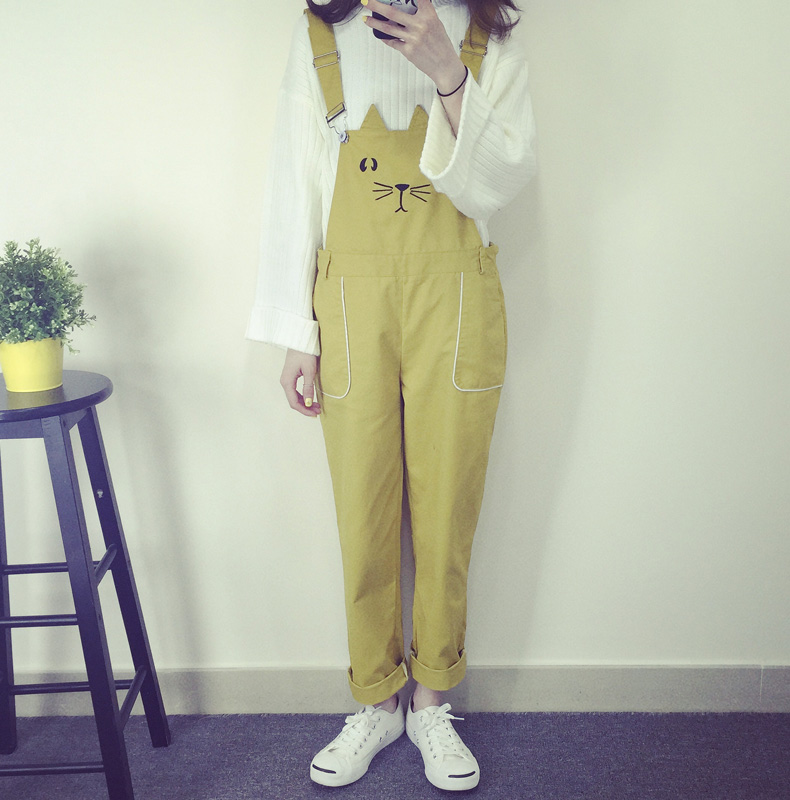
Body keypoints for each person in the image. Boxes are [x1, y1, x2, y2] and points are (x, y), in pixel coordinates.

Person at [247, 0, 536, 790]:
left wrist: (449, 74)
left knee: (447, 506)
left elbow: (499, 184)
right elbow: (294, 185)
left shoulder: (485, 37)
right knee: (363, 506)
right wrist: (295, 332)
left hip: (457, 298)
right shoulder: (322, 36)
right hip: (349, 305)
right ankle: (376, 697)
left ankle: (432, 698)